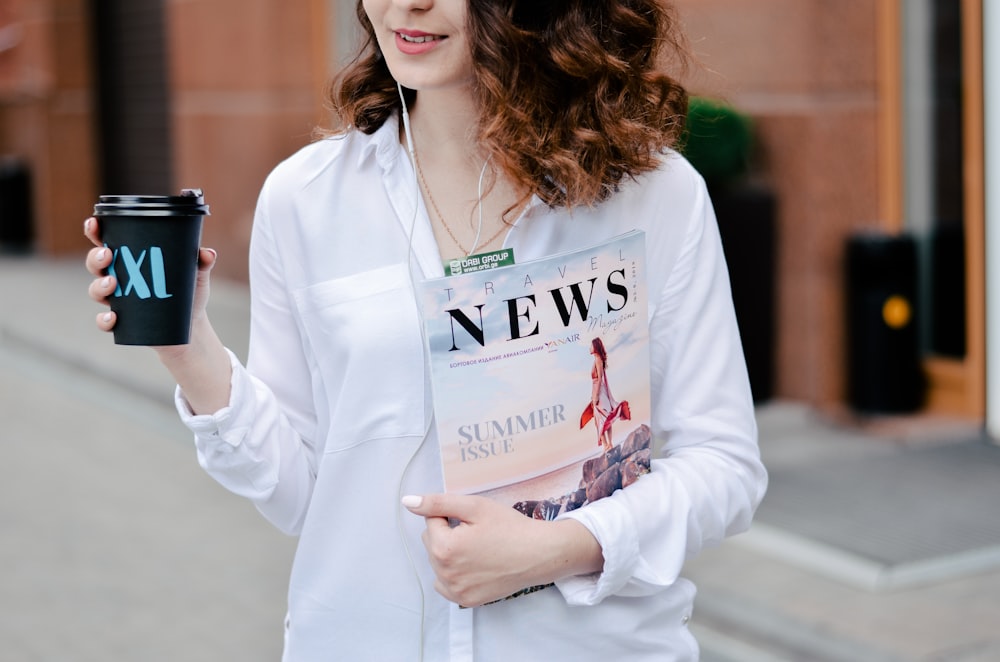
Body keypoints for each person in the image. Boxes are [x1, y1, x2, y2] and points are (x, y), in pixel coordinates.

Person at [84, 0, 767, 659]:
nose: (408, 4)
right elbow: (302, 495)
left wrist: (565, 544)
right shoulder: (306, 199)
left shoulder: (653, 193)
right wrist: (188, 347)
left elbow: (725, 466)